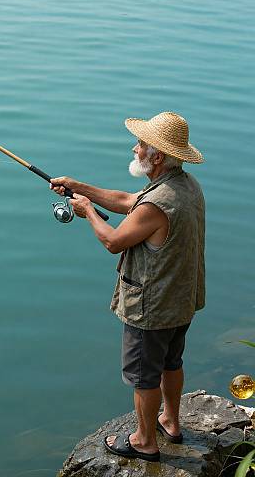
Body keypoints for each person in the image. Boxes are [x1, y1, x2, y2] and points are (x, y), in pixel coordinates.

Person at [50, 111, 205, 462]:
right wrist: (80, 187)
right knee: (171, 362)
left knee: (143, 376)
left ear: (158, 156)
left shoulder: (157, 203)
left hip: (151, 306)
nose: (135, 149)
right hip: (180, 300)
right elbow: (127, 202)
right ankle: (171, 421)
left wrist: (87, 211)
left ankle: (144, 441)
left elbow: (114, 241)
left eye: (141, 145)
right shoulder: (184, 186)